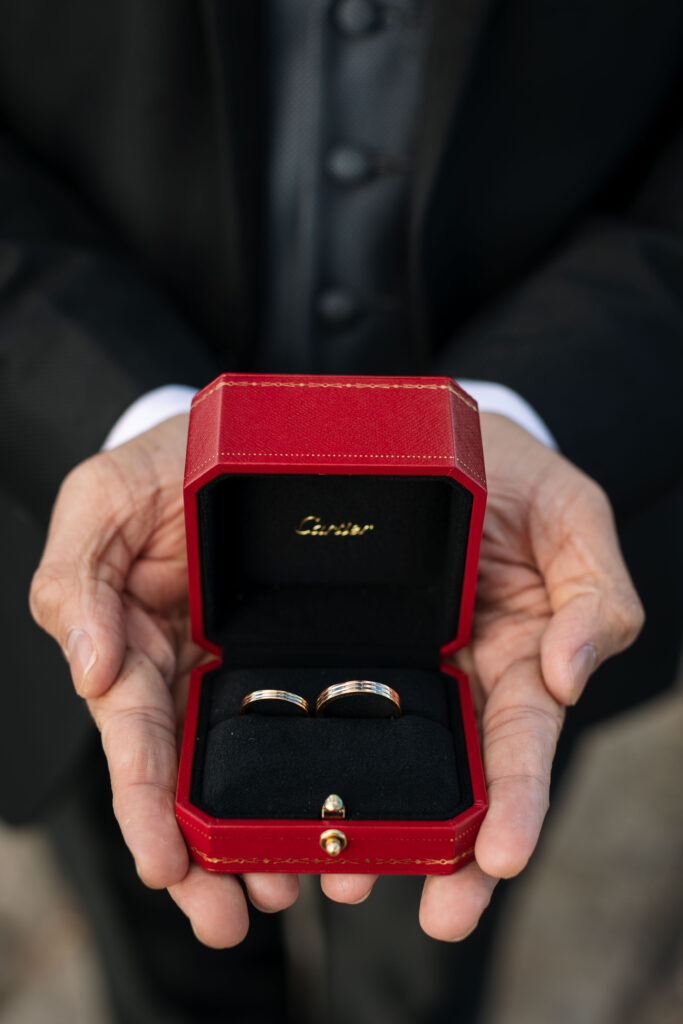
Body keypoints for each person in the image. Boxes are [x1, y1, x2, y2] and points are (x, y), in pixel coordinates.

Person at [2, 2, 683, 1021]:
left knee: (421, 965)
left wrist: (503, 425)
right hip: (117, 544)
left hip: (501, 564)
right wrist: (134, 423)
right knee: (162, 953)